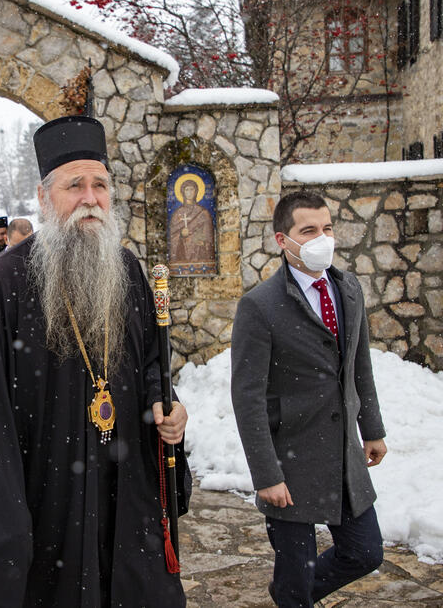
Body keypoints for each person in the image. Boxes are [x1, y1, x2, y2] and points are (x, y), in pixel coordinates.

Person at [0, 115, 189, 607]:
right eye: (73, 185)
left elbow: (149, 362)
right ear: (43, 198)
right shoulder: (6, 280)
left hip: (125, 479)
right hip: (45, 485)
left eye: (100, 184)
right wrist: (4, 516)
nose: (89, 198)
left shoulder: (125, 268)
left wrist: (167, 405)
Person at [230, 191, 387, 608]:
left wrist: (371, 429)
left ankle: (289, 597)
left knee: (366, 551)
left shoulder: (347, 287)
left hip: (343, 454)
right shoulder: (259, 306)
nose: (323, 239)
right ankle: (293, 594)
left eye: (328, 228)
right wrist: (266, 474)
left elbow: (359, 365)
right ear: (283, 240)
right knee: (296, 573)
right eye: (310, 231)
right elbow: (247, 397)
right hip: (289, 462)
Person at [169, 178, 215, 267]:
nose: (189, 192)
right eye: (187, 190)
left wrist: (202, 241)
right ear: (183, 192)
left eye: (192, 189)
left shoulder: (203, 213)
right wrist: (181, 234)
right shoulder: (177, 213)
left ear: (196, 191)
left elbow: (209, 236)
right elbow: (172, 235)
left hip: (199, 254)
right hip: (182, 255)